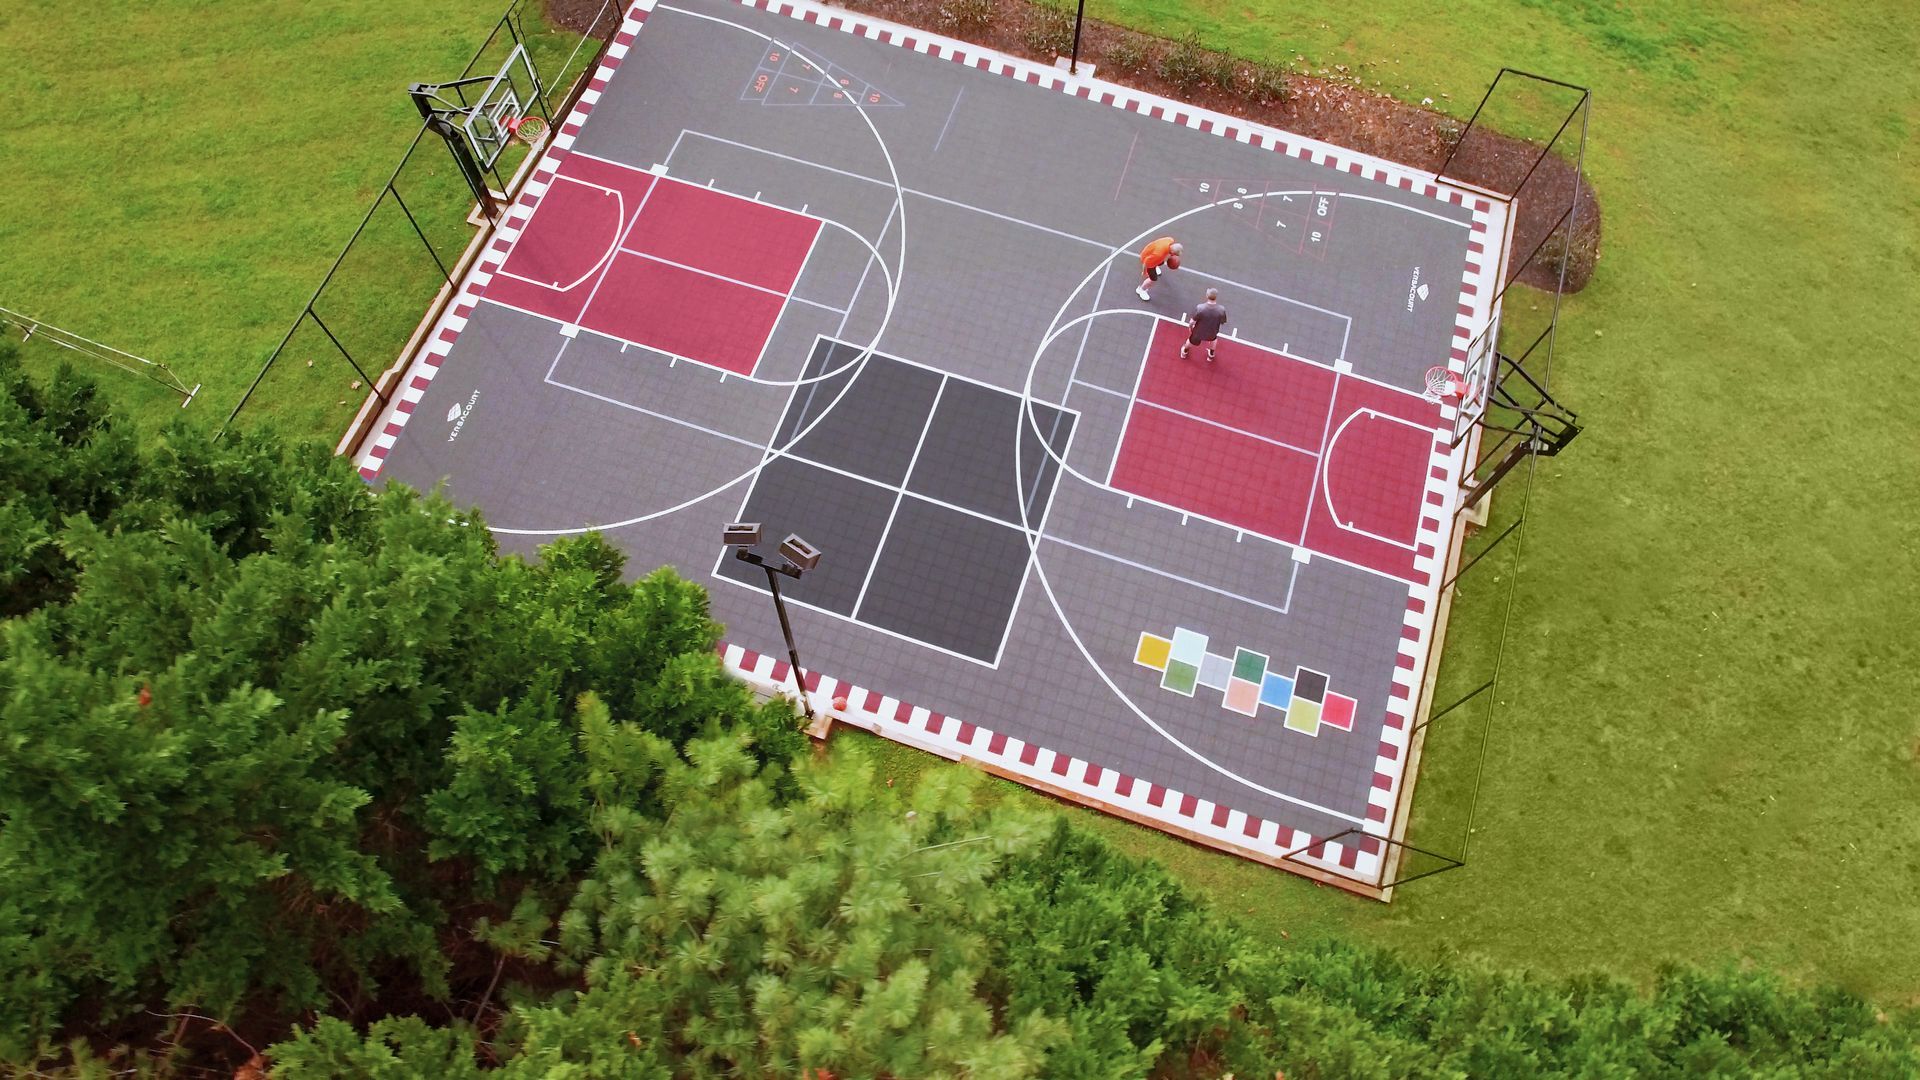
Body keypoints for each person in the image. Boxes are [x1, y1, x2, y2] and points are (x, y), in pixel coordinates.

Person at [1181, 288, 1228, 362]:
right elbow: (1223, 322)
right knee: (1213, 340)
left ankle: (1185, 351)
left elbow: (1192, 321)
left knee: (1190, 341)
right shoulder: (1221, 309)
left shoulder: (1200, 308)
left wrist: (1190, 328)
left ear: (1207, 296)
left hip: (1198, 332)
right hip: (1212, 331)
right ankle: (1211, 355)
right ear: (1216, 297)